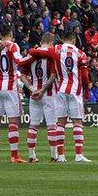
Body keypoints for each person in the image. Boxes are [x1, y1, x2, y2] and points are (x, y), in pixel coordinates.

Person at [30, 30, 91, 163]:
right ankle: (78, 155)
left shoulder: (56, 49)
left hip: (60, 90)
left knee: (61, 123)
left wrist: (33, 49)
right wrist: (87, 91)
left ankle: (61, 156)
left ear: (62, 39)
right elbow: (85, 76)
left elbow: (36, 52)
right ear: (74, 40)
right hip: (75, 90)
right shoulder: (80, 53)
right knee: (77, 122)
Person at [0, 26, 30, 163]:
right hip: (9, 88)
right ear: (11, 34)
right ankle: (14, 155)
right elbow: (20, 61)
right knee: (13, 122)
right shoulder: (13, 46)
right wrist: (33, 56)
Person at [24, 32, 59, 163]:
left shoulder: (32, 54)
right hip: (48, 93)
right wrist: (43, 89)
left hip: (34, 94)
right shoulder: (51, 54)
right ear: (51, 42)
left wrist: (33, 89)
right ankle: (54, 155)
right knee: (51, 126)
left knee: (33, 125)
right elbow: (53, 75)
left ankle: (31, 155)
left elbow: (22, 75)